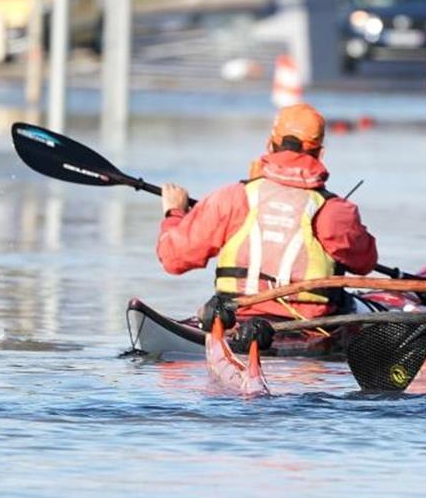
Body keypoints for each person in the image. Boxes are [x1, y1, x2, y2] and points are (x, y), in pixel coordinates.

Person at [156, 103, 379, 345]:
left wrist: (175, 213)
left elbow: (172, 258)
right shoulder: (335, 211)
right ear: (320, 154)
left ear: (269, 145)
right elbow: (365, 262)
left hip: (236, 322)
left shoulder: (231, 198)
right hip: (310, 334)